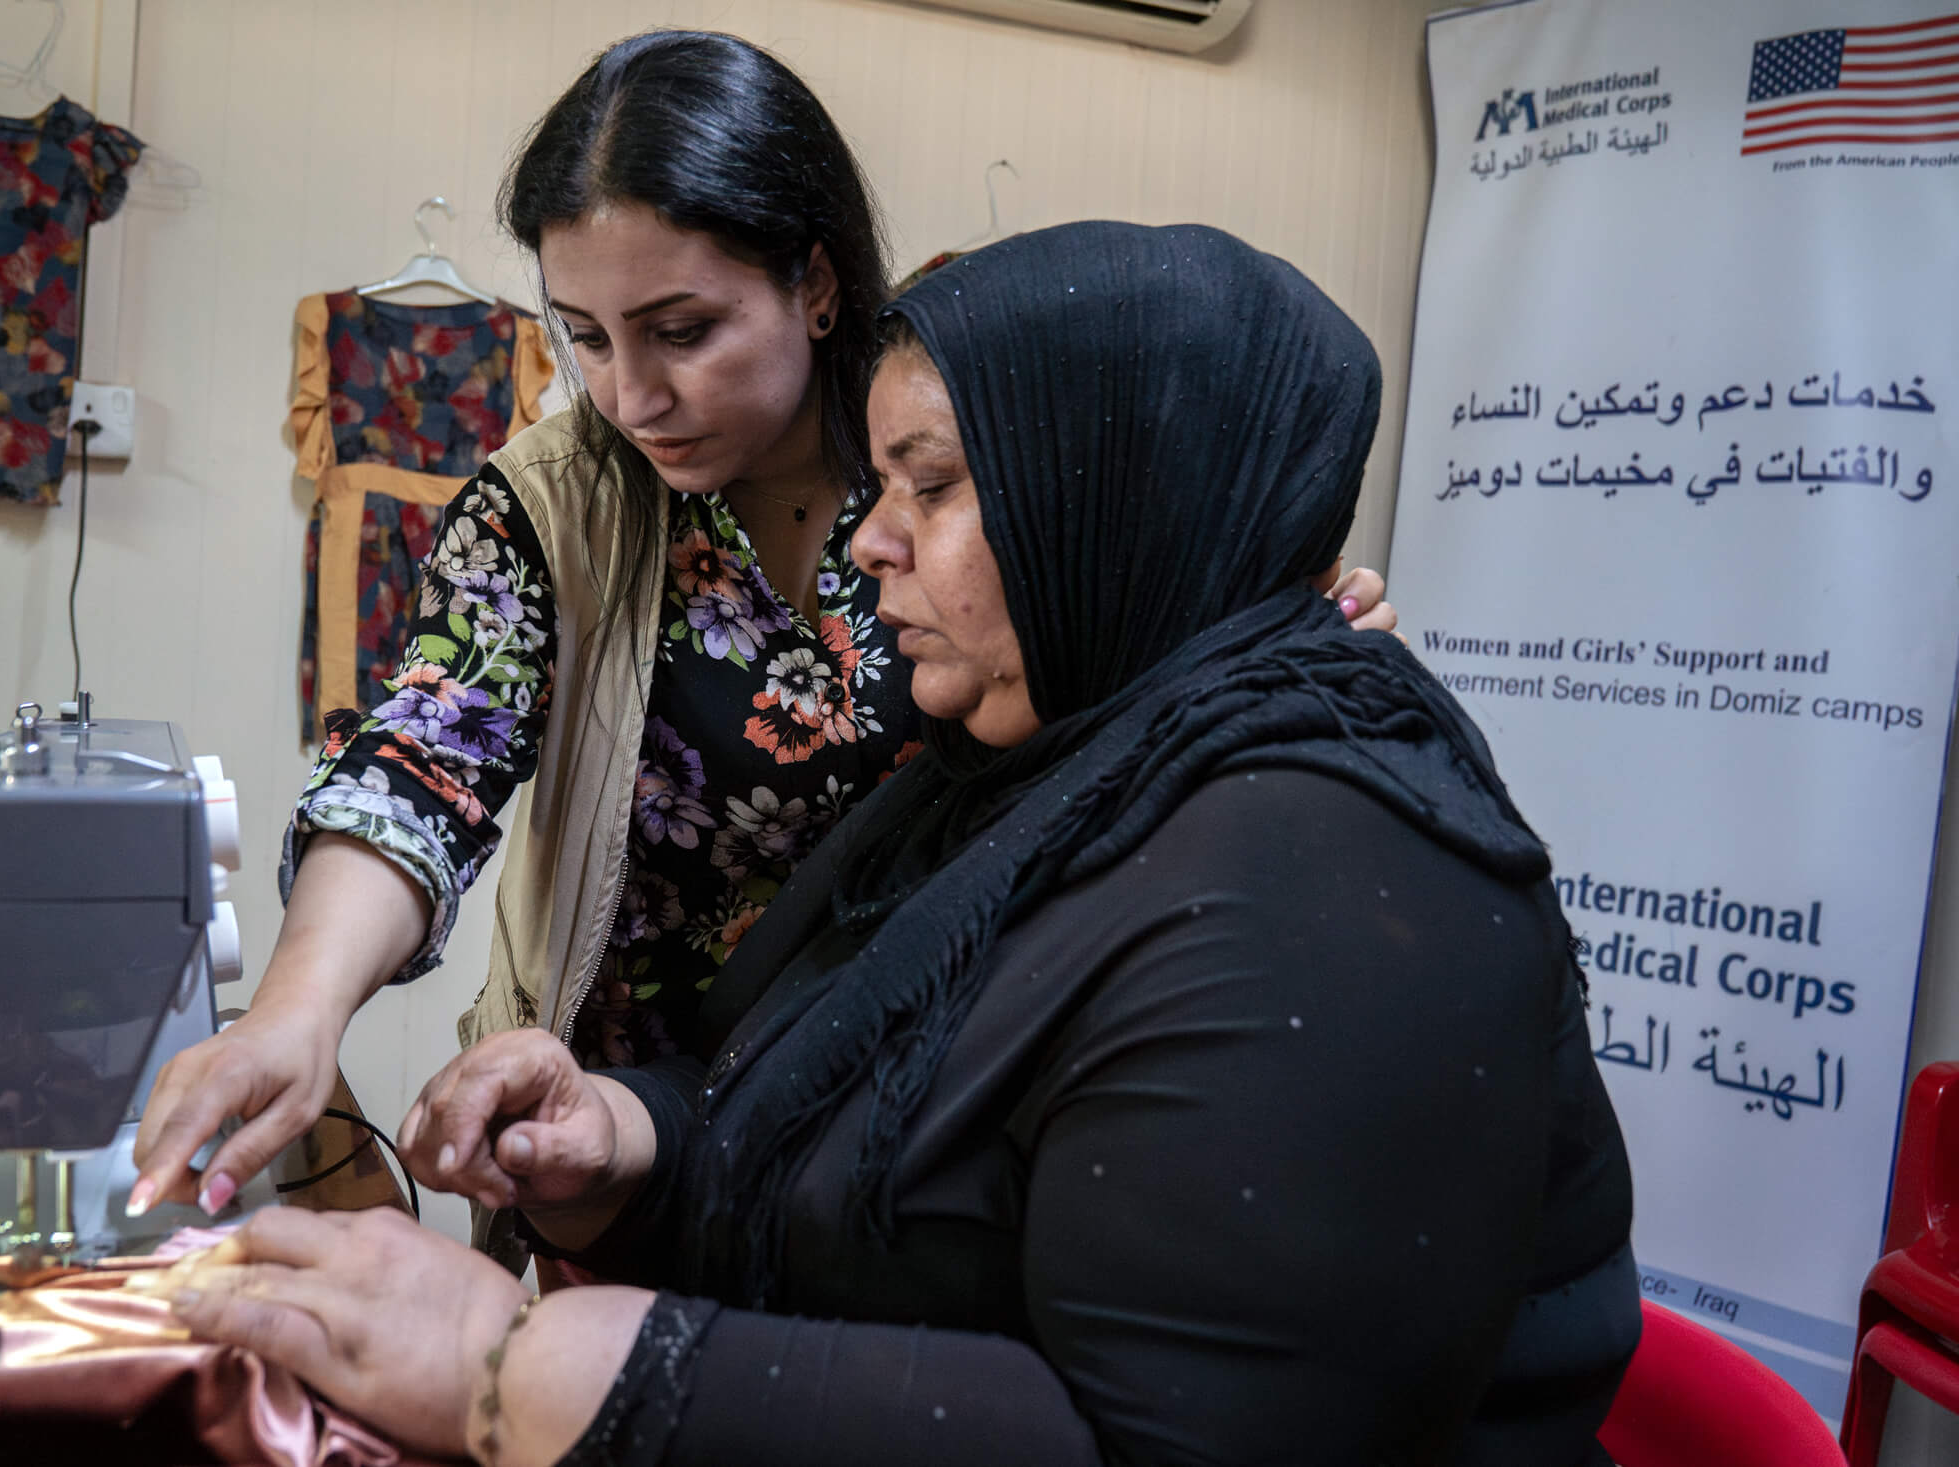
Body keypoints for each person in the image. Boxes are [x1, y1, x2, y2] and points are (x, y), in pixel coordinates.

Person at [143, 221, 1639, 1467]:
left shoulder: (1328, 889)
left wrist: (507, 1357)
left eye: (930, 487)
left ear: (1113, 509)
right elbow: (860, 1105)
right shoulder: (1032, 770)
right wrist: (623, 1133)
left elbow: (1165, 1437)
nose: (871, 542)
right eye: (880, 485)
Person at [129, 31, 1394, 1224]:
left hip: (919, 1117)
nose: (634, 395)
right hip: (611, 1139)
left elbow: (1140, 597)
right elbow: (423, 759)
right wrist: (295, 1015)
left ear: (819, 281)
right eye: (585, 341)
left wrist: (1271, 611)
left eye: (684, 332)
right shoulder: (554, 505)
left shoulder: (977, 456)